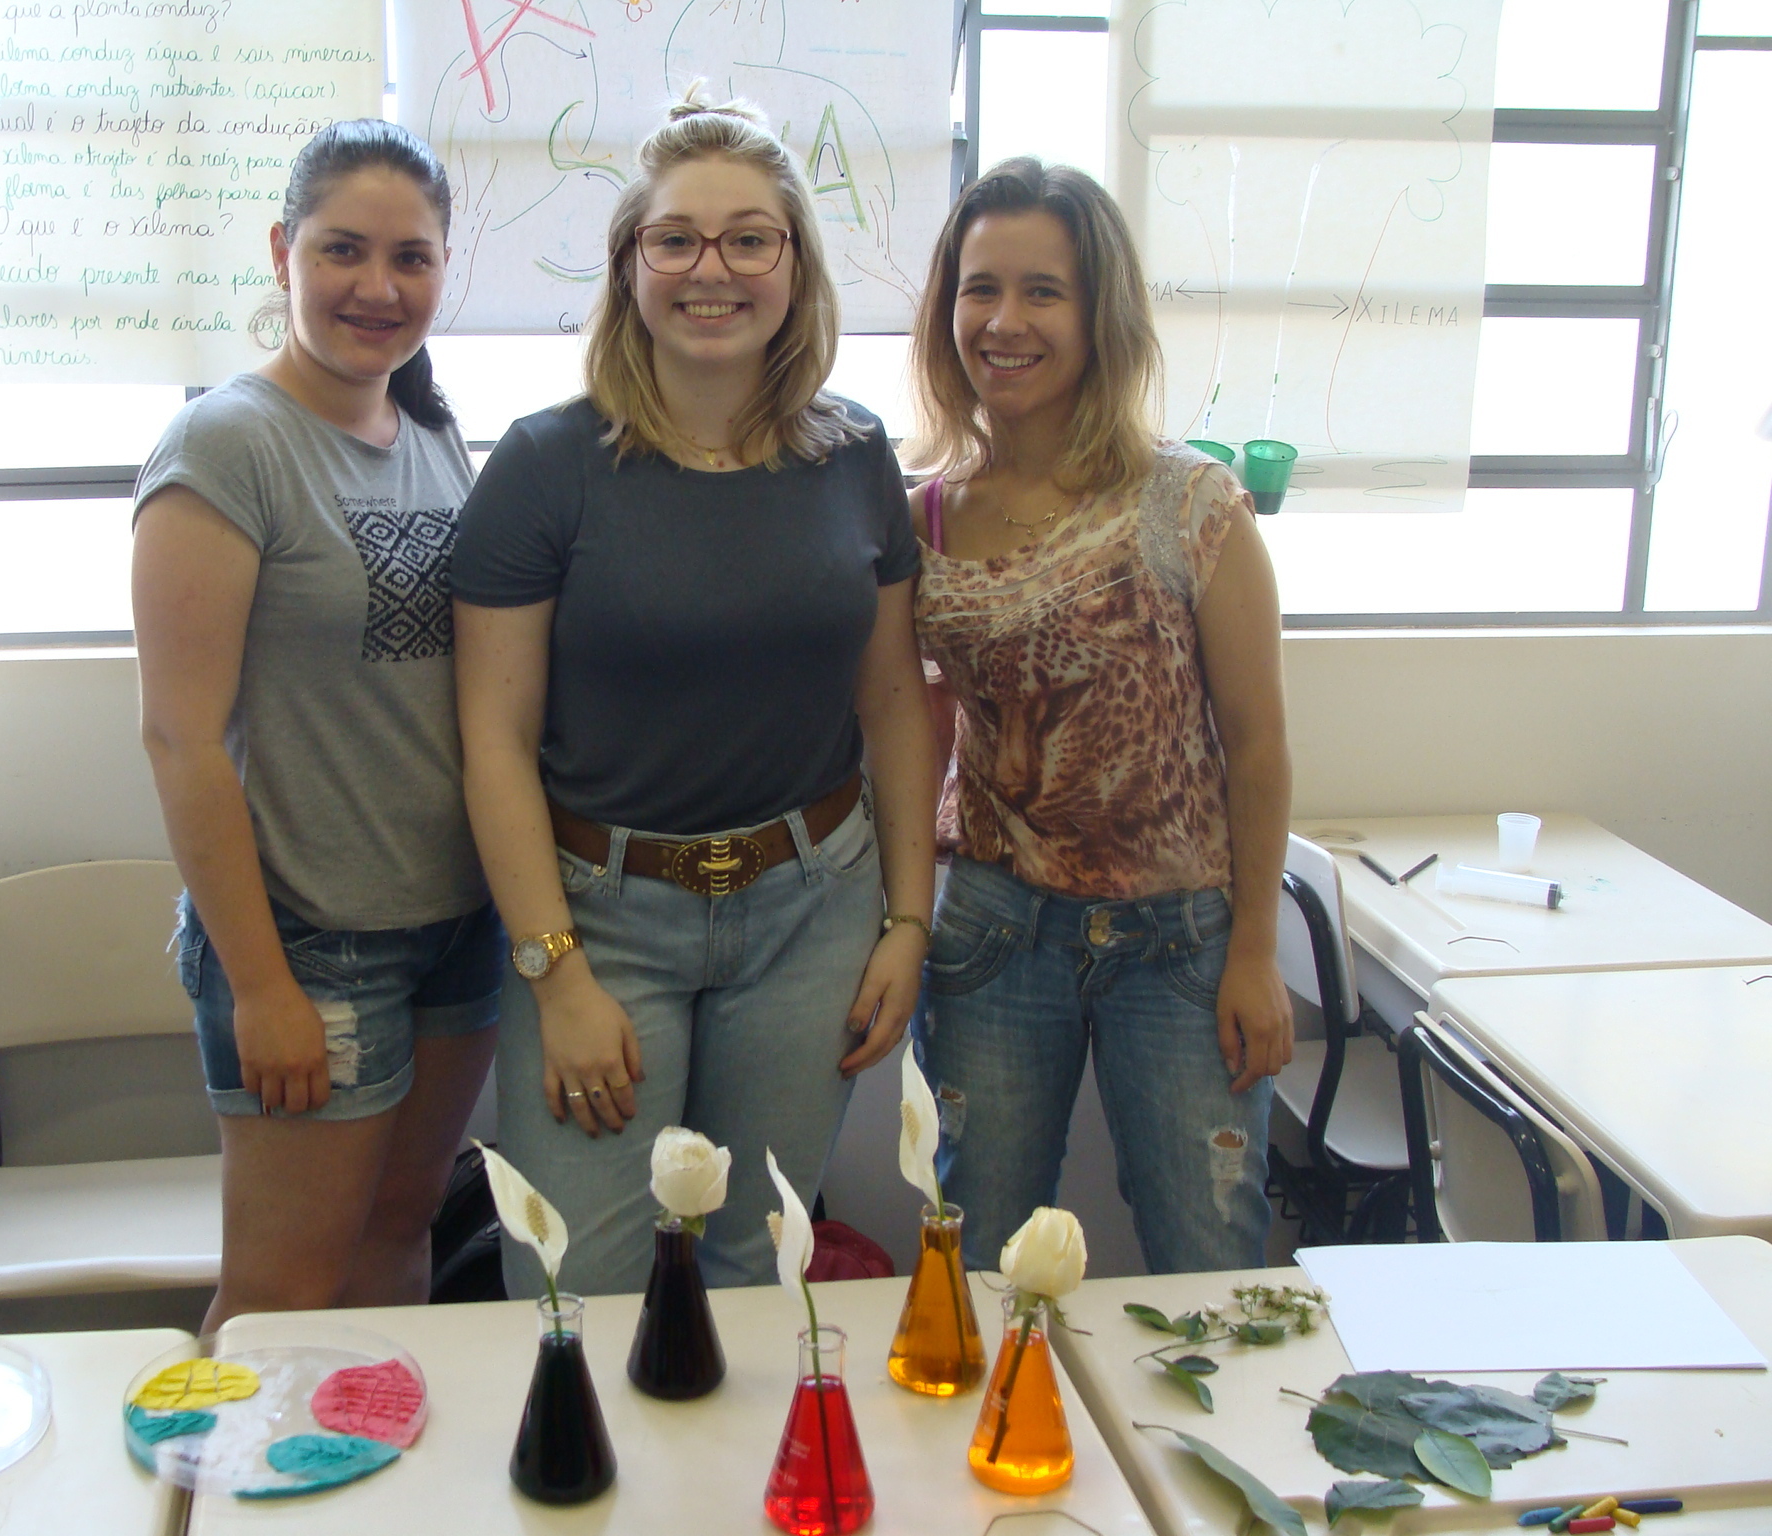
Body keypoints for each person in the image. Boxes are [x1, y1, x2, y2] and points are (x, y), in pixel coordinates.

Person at [451, 92, 936, 1299]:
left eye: (748, 239)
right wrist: (556, 974)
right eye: (674, 239)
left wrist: (906, 920)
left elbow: (892, 703)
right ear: (630, 265)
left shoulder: (854, 455)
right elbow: (494, 743)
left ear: (794, 265)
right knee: (578, 1283)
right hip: (601, 922)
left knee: (754, 1268)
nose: (709, 270)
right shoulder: (544, 465)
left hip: (812, 910)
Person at [132, 120, 500, 1331]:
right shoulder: (226, 445)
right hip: (310, 944)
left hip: (454, 927)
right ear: (282, 250)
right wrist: (261, 986)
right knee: (281, 1294)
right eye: (344, 249)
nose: (377, 287)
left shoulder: (432, 435)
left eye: (411, 258)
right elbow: (180, 742)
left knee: (399, 1235)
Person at [906, 157, 1294, 1275]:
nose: (1004, 321)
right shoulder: (920, 518)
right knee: (980, 1255)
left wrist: (1255, 953)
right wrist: (899, 921)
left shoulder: (1190, 503)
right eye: (980, 289)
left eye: (1044, 291)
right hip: (993, 930)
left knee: (1209, 1258)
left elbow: (1257, 748)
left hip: (1180, 944)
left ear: (1099, 313)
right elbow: (910, 733)